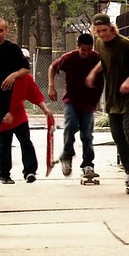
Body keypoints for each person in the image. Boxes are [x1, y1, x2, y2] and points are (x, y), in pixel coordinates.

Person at [85, 13, 129, 186]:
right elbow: (105, 60)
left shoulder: (124, 44)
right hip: (112, 99)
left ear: (111, 27)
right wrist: (94, 72)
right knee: (118, 137)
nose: (102, 34)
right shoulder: (99, 43)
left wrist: (128, 81)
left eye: (104, 30)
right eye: (98, 31)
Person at [47, 33, 104, 179]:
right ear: (77, 47)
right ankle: (67, 155)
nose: (86, 54)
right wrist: (51, 86)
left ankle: (88, 164)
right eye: (83, 50)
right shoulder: (69, 58)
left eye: (89, 50)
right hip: (71, 99)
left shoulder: (97, 59)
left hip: (89, 102)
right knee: (70, 125)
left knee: (87, 134)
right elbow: (52, 68)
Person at [0, 17, 30, 187]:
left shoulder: (12, 49)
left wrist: (13, 75)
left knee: (6, 138)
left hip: (4, 99)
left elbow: (25, 68)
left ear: (6, 31)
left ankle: (0, 174)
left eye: (0, 30)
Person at [0, 49, 53, 184]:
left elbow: (34, 94)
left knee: (26, 142)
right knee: (4, 145)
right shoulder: (1, 76)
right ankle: (4, 174)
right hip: (3, 117)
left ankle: (30, 171)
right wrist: (3, 113)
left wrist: (45, 110)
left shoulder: (26, 78)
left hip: (19, 115)